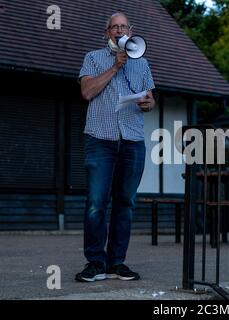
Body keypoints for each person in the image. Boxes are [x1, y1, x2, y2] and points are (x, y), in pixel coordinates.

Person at [75, 12, 155, 282]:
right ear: (106, 32)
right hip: (100, 139)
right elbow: (87, 92)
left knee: (125, 203)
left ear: (130, 31)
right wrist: (115, 67)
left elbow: (150, 99)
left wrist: (148, 104)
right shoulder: (93, 58)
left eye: (124, 27)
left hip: (132, 140)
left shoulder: (142, 63)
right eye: (115, 27)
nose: (119, 31)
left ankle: (116, 262)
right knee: (97, 203)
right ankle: (95, 262)